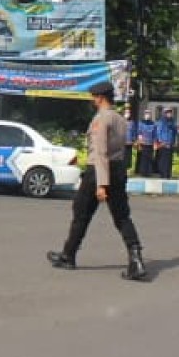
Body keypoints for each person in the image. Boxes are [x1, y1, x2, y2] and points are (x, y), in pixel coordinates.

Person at [47, 80, 147, 281]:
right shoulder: (120, 119)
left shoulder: (101, 119)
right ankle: (136, 259)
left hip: (98, 171)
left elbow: (100, 152)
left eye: (94, 97)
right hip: (118, 169)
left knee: (81, 212)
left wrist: (102, 184)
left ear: (100, 97)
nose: (92, 100)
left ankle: (68, 255)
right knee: (122, 217)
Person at [154, 107, 178, 178]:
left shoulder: (173, 122)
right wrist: (161, 141)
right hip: (163, 143)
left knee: (169, 160)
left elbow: (175, 132)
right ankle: (162, 174)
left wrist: (175, 141)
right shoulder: (161, 121)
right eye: (167, 112)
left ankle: (168, 174)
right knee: (163, 160)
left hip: (170, 143)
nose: (169, 114)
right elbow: (158, 132)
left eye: (170, 112)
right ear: (164, 114)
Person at [134, 109, 156, 177]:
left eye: (149, 114)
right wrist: (140, 142)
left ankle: (149, 172)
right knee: (143, 158)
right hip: (143, 143)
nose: (148, 115)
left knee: (150, 158)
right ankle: (142, 172)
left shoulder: (153, 123)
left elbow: (154, 134)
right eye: (146, 114)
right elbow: (139, 132)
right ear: (144, 115)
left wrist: (155, 143)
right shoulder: (141, 123)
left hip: (150, 143)